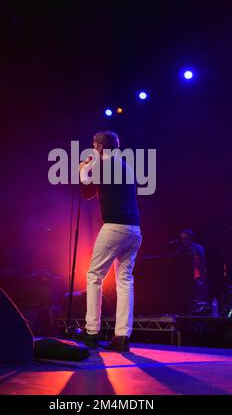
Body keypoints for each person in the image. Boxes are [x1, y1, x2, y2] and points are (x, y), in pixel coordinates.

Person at [72, 131, 142, 352]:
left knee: (94, 275)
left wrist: (83, 170)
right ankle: (122, 336)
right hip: (135, 230)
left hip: (114, 227)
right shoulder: (126, 166)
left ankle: (91, 332)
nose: (92, 148)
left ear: (101, 147)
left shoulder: (104, 164)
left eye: (93, 145)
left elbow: (87, 192)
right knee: (125, 280)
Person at [177, 229, 208, 301]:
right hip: (187, 280)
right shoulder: (181, 250)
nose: (183, 241)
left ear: (190, 238)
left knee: (200, 298)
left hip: (198, 278)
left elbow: (202, 263)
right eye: (182, 239)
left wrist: (200, 278)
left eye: (185, 238)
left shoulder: (198, 248)